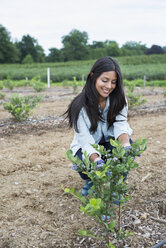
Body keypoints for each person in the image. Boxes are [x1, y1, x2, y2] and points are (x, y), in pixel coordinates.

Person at [64, 56, 133, 196]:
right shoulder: (79, 106)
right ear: (92, 77)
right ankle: (90, 181)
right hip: (87, 145)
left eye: (114, 82)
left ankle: (117, 185)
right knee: (82, 162)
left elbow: (121, 124)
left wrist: (126, 145)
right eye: (105, 80)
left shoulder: (119, 100)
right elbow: (84, 139)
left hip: (109, 142)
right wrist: (96, 159)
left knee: (125, 153)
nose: (109, 86)